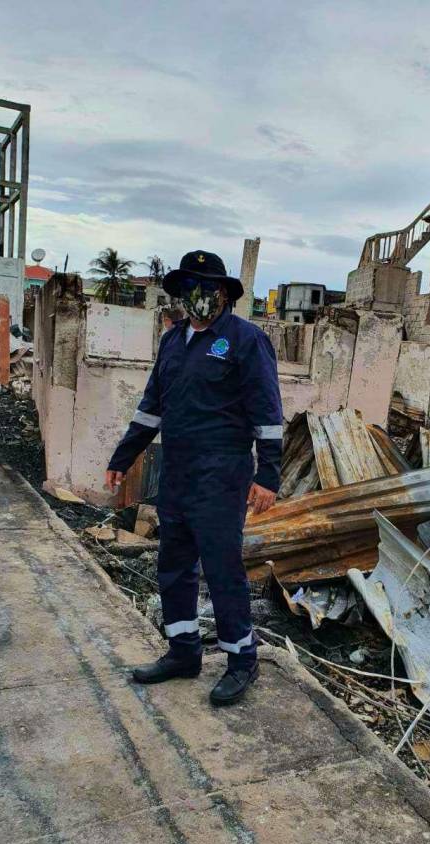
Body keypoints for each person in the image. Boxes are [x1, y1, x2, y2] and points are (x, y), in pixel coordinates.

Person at [106, 251, 283, 705]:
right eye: (192, 288)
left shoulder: (245, 340)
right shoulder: (172, 342)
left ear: (224, 294)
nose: (201, 297)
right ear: (182, 294)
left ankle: (242, 661)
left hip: (222, 473)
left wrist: (268, 475)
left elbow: (267, 414)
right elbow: (151, 408)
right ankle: (183, 651)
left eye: (210, 288)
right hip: (178, 471)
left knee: (222, 570)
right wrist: (123, 458)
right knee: (174, 564)